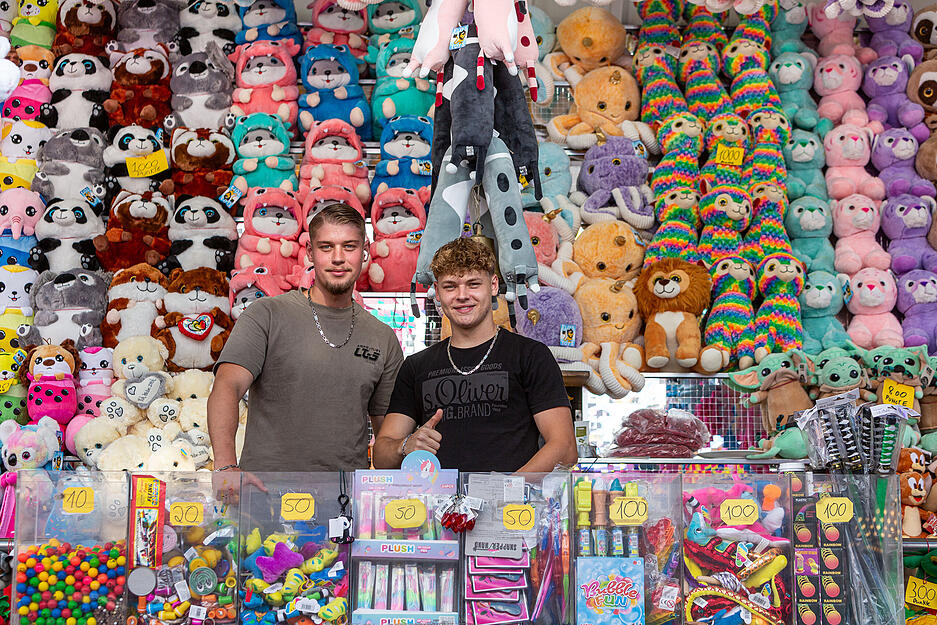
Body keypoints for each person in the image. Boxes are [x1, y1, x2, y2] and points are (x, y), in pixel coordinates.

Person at [208, 203, 405, 484]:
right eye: (326, 247)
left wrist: (410, 450)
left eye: (349, 247)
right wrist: (225, 467)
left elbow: (386, 436)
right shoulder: (266, 314)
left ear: (365, 252)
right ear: (311, 253)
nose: (338, 258)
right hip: (265, 496)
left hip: (343, 505)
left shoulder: (382, 337)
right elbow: (227, 387)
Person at [373, 237, 578, 473]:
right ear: (437, 293)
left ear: (492, 286)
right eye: (450, 286)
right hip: (440, 507)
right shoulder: (416, 367)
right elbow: (381, 457)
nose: (462, 295)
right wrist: (406, 445)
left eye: (473, 284)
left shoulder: (530, 356)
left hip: (510, 507)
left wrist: (504, 491)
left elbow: (565, 448)